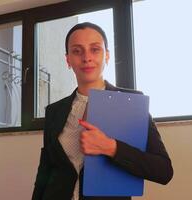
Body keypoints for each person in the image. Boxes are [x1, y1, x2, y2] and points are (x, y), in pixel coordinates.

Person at [32, 22, 173, 200]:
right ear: (68, 60)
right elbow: (45, 171)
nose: (86, 57)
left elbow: (163, 171)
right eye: (77, 51)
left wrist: (111, 147)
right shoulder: (54, 111)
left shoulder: (131, 103)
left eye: (95, 49)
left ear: (106, 56)